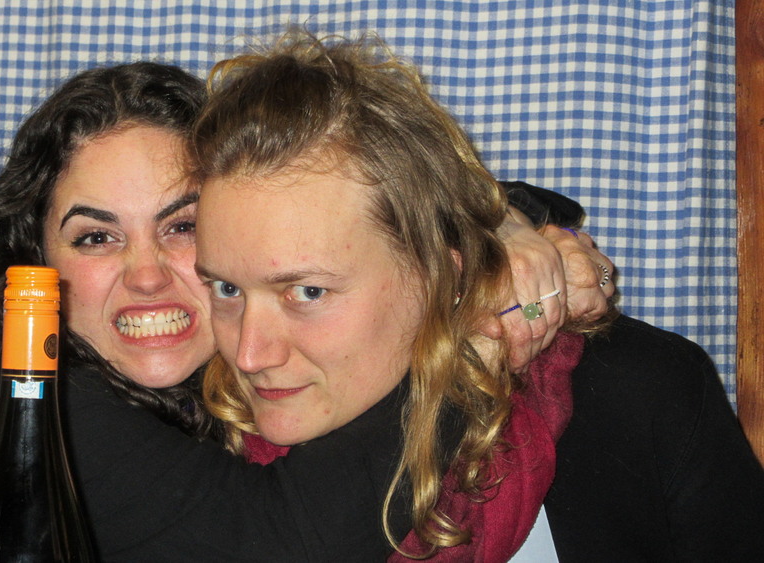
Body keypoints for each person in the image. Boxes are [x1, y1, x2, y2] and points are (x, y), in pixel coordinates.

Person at [0, 61, 614, 561]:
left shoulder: (231, 386)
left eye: (181, 225)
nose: (146, 276)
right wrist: (480, 333)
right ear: (34, 259)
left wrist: (505, 220)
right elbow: (268, 541)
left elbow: (365, 207)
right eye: (96, 236)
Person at [188, 32, 764, 560]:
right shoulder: (186, 443)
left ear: (440, 275)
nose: (249, 354)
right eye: (226, 288)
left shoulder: (640, 396)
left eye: (308, 291)